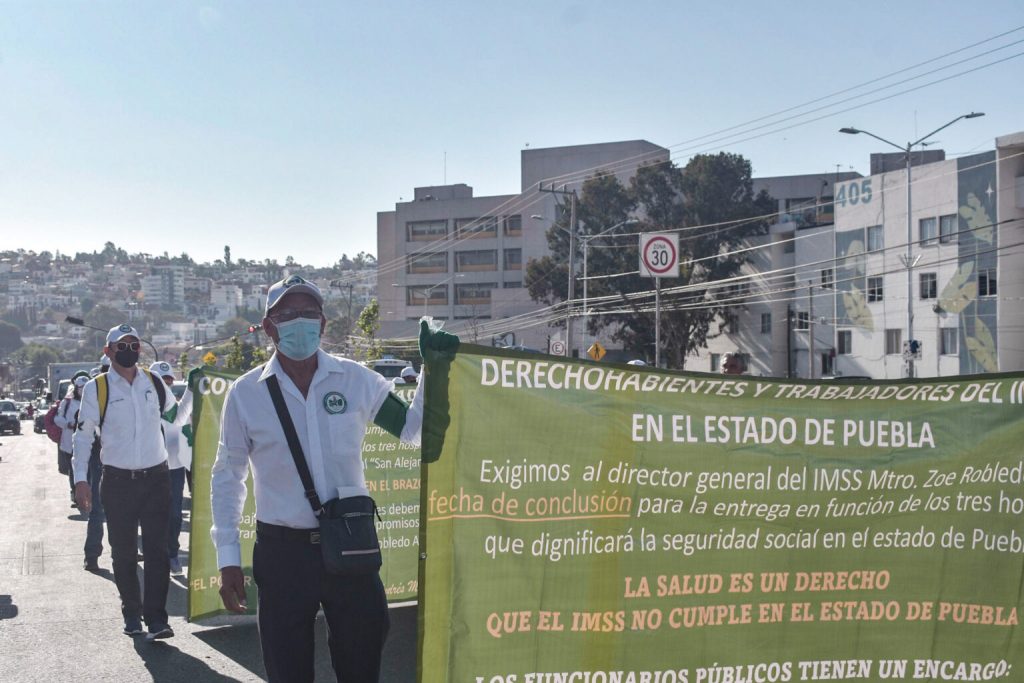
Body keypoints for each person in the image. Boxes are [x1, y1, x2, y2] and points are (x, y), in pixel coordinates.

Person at [211, 275, 450, 683]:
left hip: (350, 547)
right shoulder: (246, 393)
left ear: (323, 323)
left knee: (361, 665)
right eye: (288, 314)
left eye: (309, 313)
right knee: (288, 671)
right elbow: (227, 477)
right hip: (282, 554)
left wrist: (433, 368)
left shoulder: (356, 380)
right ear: (268, 327)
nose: (300, 321)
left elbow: (415, 432)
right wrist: (228, 558)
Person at [72, 324, 176, 641]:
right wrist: (80, 480)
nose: (130, 350)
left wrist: (199, 393)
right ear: (108, 351)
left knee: (158, 552)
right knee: (124, 552)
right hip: (118, 482)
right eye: (122, 345)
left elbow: (176, 416)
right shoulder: (98, 388)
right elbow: (83, 437)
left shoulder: (153, 382)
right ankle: (132, 614)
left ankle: (157, 619)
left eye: (134, 345)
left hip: (156, 478)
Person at [150, 361, 187, 575]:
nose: (165, 385)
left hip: (175, 468)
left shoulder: (176, 406)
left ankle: (172, 554)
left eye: (168, 381)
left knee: (174, 516)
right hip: (150, 469)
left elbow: (186, 426)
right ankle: (156, 557)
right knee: (153, 516)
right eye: (161, 381)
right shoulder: (145, 406)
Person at [55, 373, 89, 506]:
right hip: (70, 442)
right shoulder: (67, 402)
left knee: (89, 470)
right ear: (76, 388)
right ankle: (75, 495)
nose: (83, 391)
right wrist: (67, 424)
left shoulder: (92, 401)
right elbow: (58, 419)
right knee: (73, 469)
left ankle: (90, 495)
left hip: (88, 442)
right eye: (81, 388)